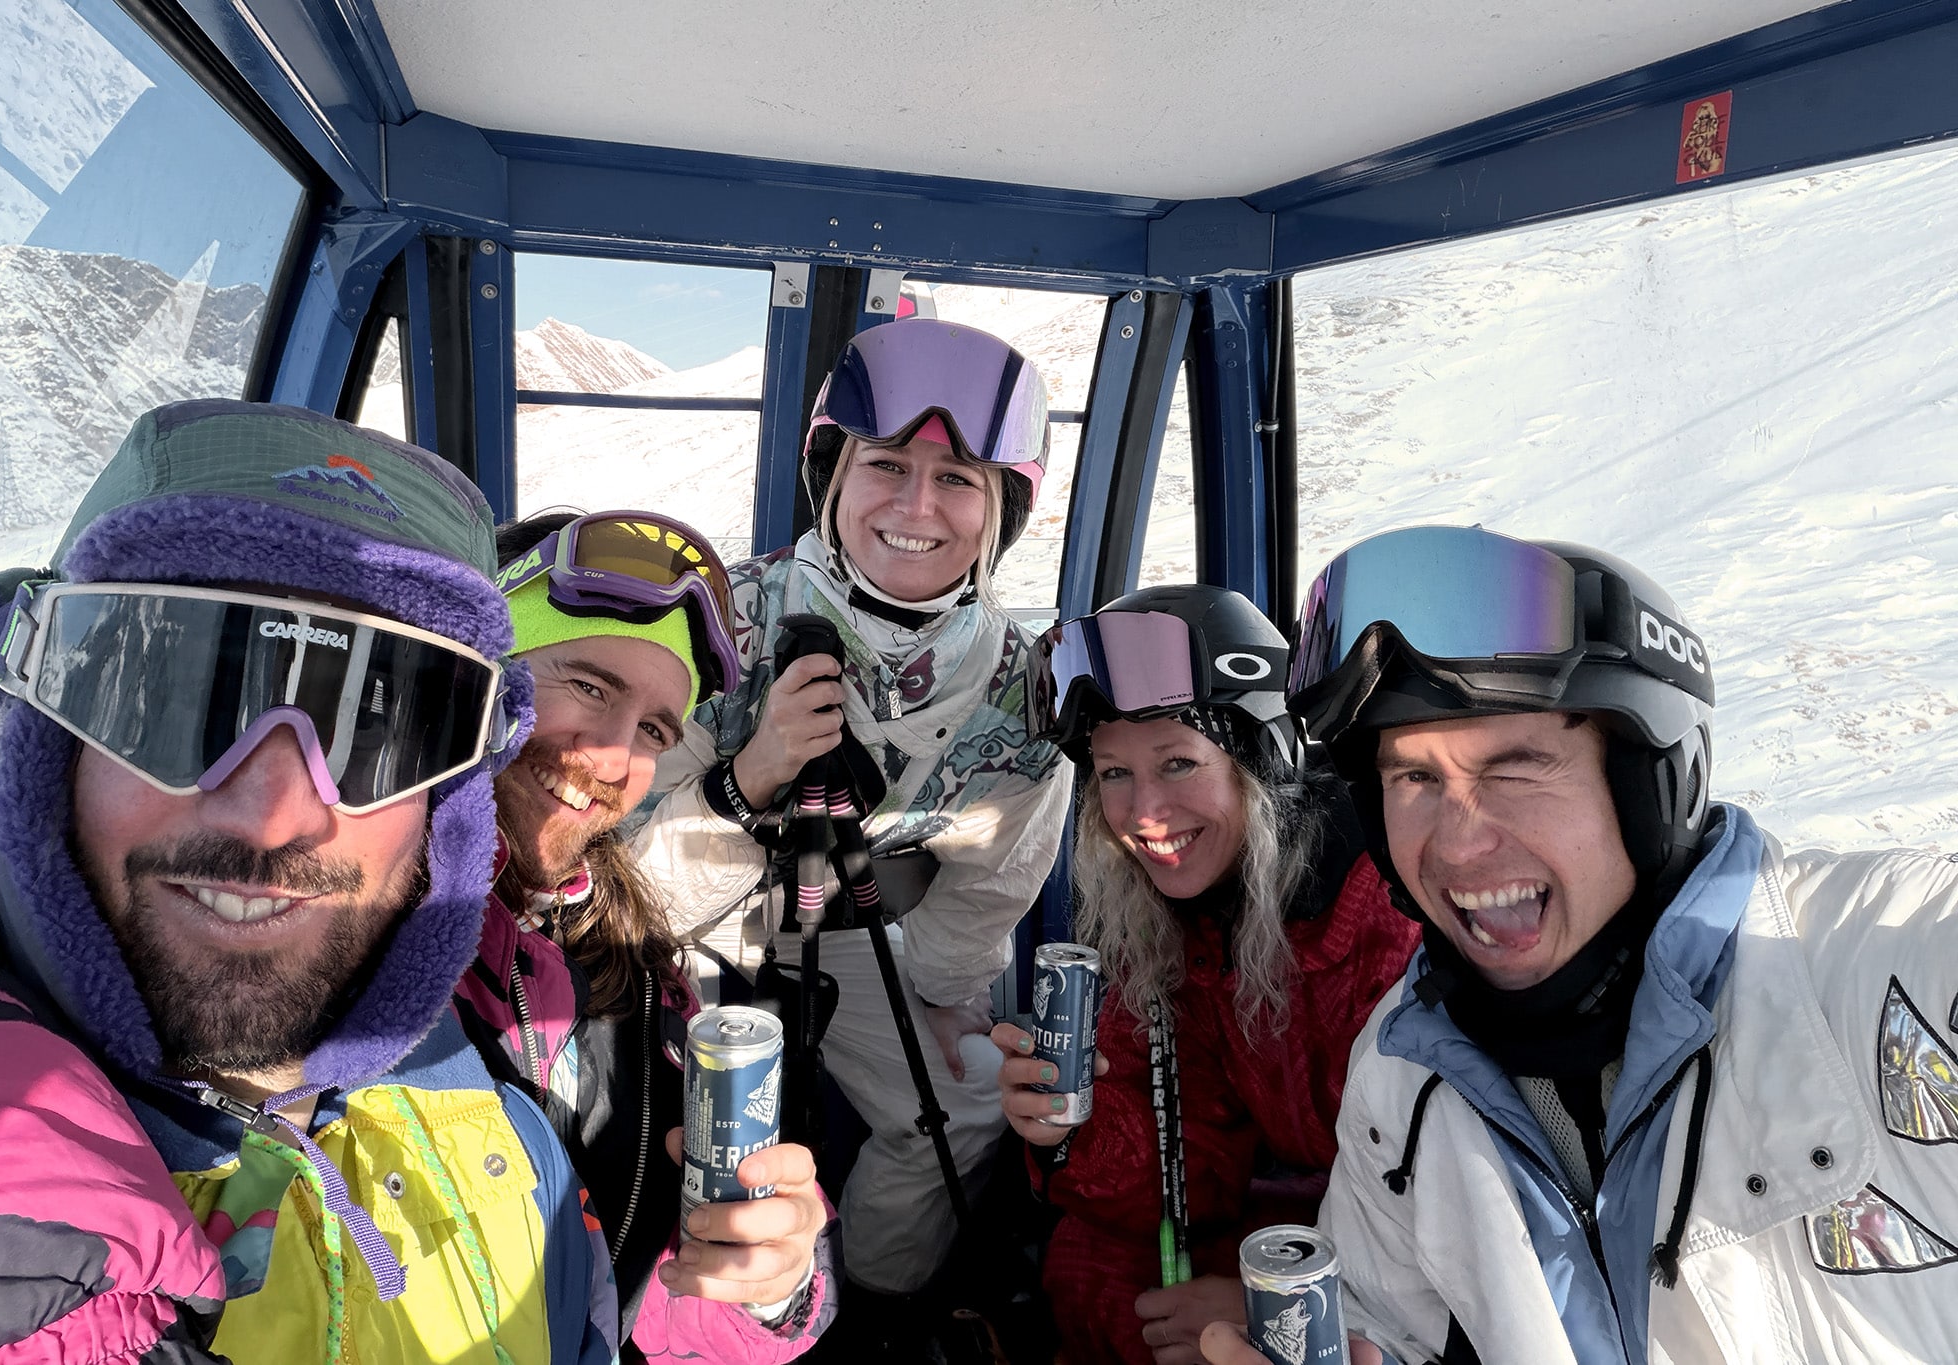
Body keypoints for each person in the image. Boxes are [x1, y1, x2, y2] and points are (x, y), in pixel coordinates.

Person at [0, 401, 616, 1363]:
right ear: (49, 742)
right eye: (166, 691)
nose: (273, 813)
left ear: (446, 809)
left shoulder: (509, 1144)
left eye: (380, 727)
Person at [1241, 522, 1958, 1365]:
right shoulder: (1401, 1073)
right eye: (1415, 777)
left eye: (1515, 765)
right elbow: (1386, 1328)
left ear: (1651, 786)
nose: (1458, 844)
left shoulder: (1876, 969)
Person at [628, 317, 1076, 1308]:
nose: (916, 506)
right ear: (832, 474)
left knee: (960, 1102)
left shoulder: (1019, 691)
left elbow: (988, 884)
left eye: (957, 478)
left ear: (999, 512)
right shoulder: (717, 621)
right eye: (885, 466)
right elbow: (631, 888)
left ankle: (866, 1304)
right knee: (674, 1122)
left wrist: (954, 991)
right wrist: (756, 771)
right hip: (698, 928)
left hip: (870, 931)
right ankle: (680, 1313)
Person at [991, 584, 1417, 1364]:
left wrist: (1287, 1296)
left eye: (1179, 762)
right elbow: (1191, 1156)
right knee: (1091, 1268)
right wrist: (1067, 1130)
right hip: (1306, 1211)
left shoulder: (1391, 909)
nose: (1143, 812)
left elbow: (1458, 1209)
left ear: (1263, 761)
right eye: (1113, 772)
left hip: (1408, 1266)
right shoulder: (1177, 919)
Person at [456, 507, 837, 1361]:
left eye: (655, 731)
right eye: (589, 686)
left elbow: (660, 1298)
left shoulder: (635, 967)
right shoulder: (349, 927)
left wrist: (772, 1285)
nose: (612, 757)